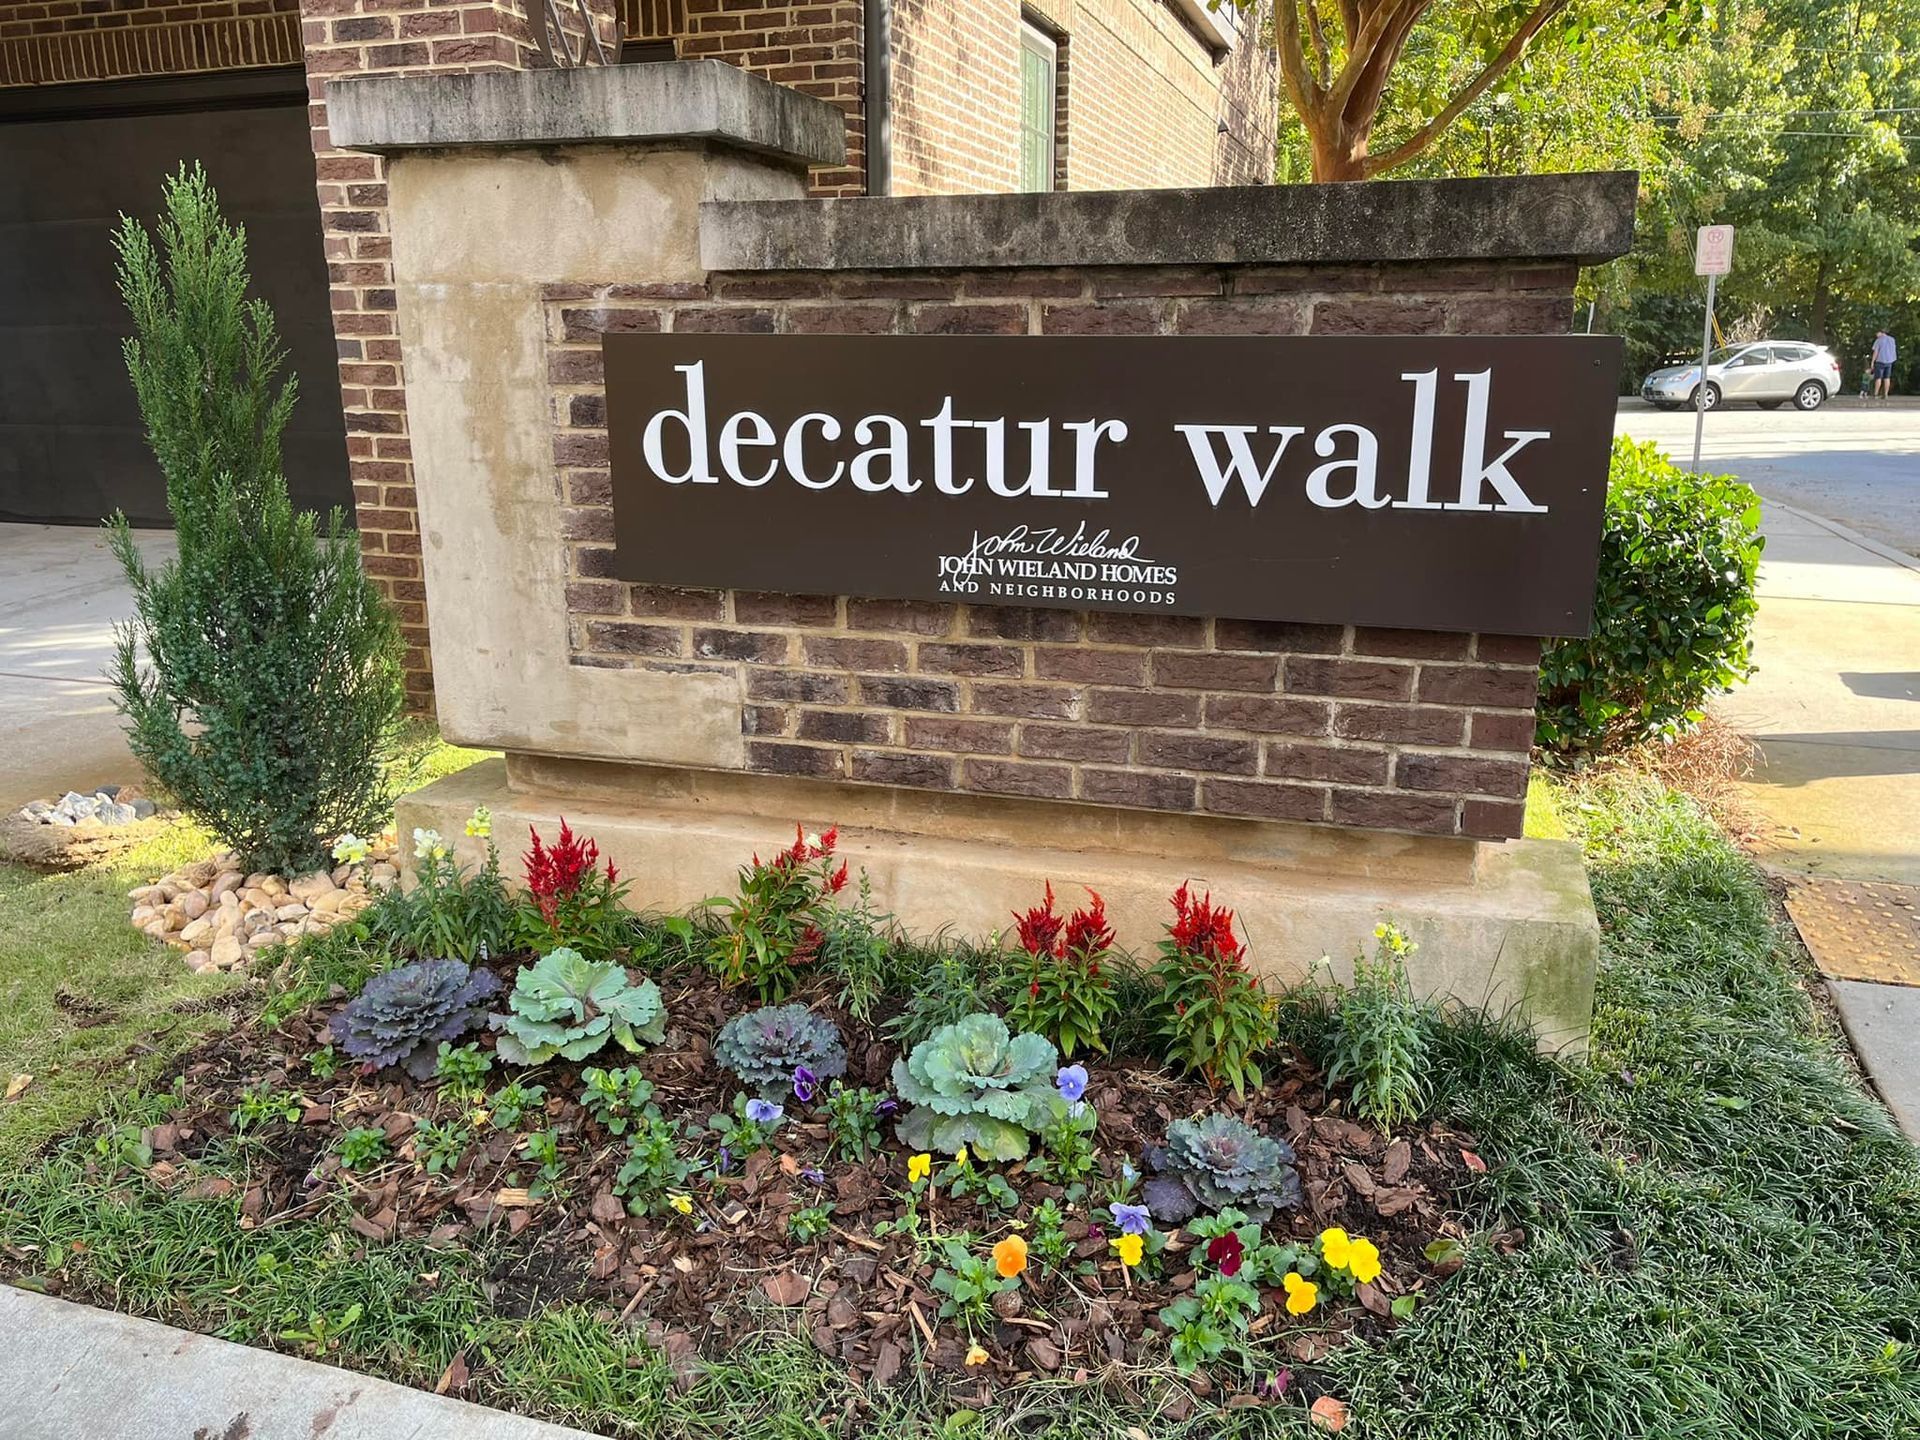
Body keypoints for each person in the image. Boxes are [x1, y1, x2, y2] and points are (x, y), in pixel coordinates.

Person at [1870, 329, 1897, 398]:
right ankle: (1885, 394)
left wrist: (1872, 361)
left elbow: (1876, 352)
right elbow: (1893, 350)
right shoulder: (1892, 339)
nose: (1876, 335)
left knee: (1878, 378)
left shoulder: (1879, 340)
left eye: (1877, 333)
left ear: (1880, 333)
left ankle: (1876, 394)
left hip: (1880, 361)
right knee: (1887, 378)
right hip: (1889, 361)